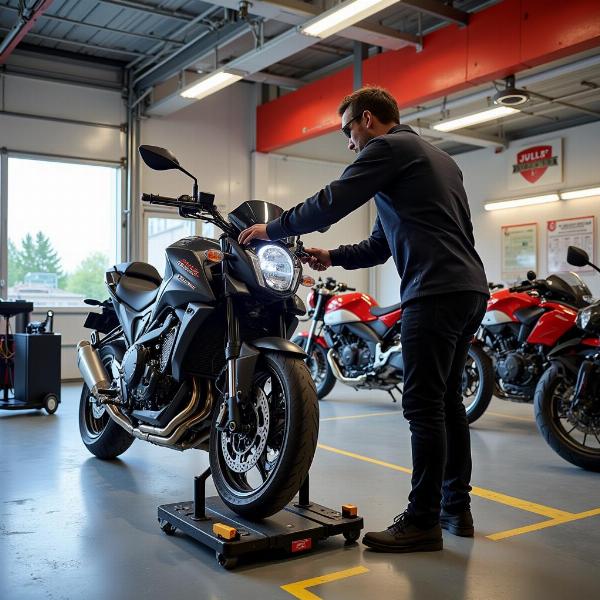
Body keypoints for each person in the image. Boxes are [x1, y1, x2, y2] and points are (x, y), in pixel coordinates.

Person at [238, 86, 489, 553]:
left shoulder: (387, 148)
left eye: (347, 131)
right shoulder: (435, 159)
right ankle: (456, 509)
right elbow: (380, 243)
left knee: (423, 406)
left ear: (368, 120)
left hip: (434, 292)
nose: (349, 144)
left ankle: (422, 520)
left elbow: (332, 201)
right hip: (468, 289)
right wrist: (330, 256)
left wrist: (273, 229)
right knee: (447, 402)